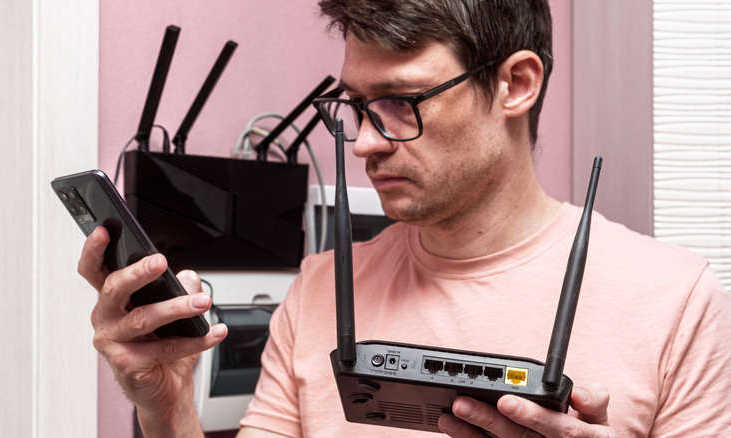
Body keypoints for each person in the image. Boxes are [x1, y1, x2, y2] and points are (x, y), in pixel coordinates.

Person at [77, 0, 731, 436]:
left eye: (400, 103)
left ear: (516, 83)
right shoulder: (318, 288)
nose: (363, 143)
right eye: (357, 106)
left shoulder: (675, 301)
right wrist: (167, 410)